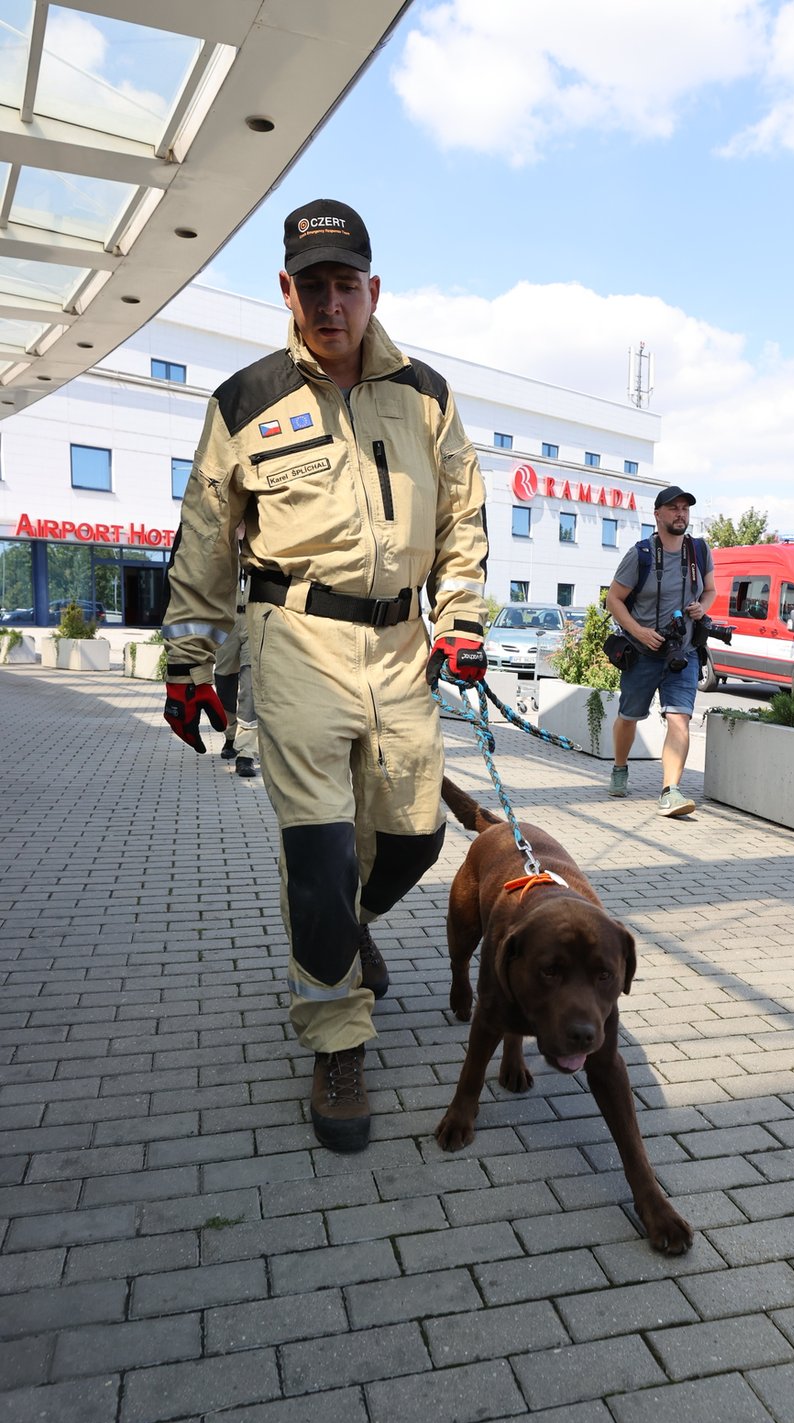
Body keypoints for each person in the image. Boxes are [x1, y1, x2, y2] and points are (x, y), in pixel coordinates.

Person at [161, 198, 489, 1153]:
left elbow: (463, 517)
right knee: (319, 853)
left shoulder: (426, 394)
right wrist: (190, 663)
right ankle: (337, 1036)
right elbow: (207, 542)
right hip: (294, 640)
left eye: (347, 283)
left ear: (373, 288)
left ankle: (344, 933)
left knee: (419, 833)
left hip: (402, 647)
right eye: (314, 285)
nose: (331, 301)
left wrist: (460, 620)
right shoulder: (244, 400)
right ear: (288, 292)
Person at [605, 486, 716, 814]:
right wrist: (638, 630)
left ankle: (671, 791)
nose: (680, 514)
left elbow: (710, 591)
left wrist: (701, 608)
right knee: (628, 717)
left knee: (679, 718)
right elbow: (614, 600)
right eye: (673, 508)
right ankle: (620, 767)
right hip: (642, 652)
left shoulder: (698, 550)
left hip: (682, 652)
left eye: (685, 509)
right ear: (657, 515)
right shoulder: (640, 554)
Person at [213, 568, 260, 778]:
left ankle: (246, 752)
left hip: (254, 620)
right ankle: (230, 734)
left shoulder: (260, 543)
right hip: (226, 621)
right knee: (223, 684)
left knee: (250, 687)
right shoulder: (223, 543)